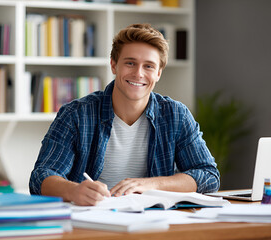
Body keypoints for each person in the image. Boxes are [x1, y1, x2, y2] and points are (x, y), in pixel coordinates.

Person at [29, 23, 220, 206]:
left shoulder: (176, 115)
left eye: (149, 66)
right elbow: (41, 177)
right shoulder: (76, 114)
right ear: (114, 65)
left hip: (153, 221)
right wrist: (73, 191)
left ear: (159, 73)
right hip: (91, 222)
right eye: (130, 63)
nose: (138, 74)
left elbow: (209, 176)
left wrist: (150, 184)